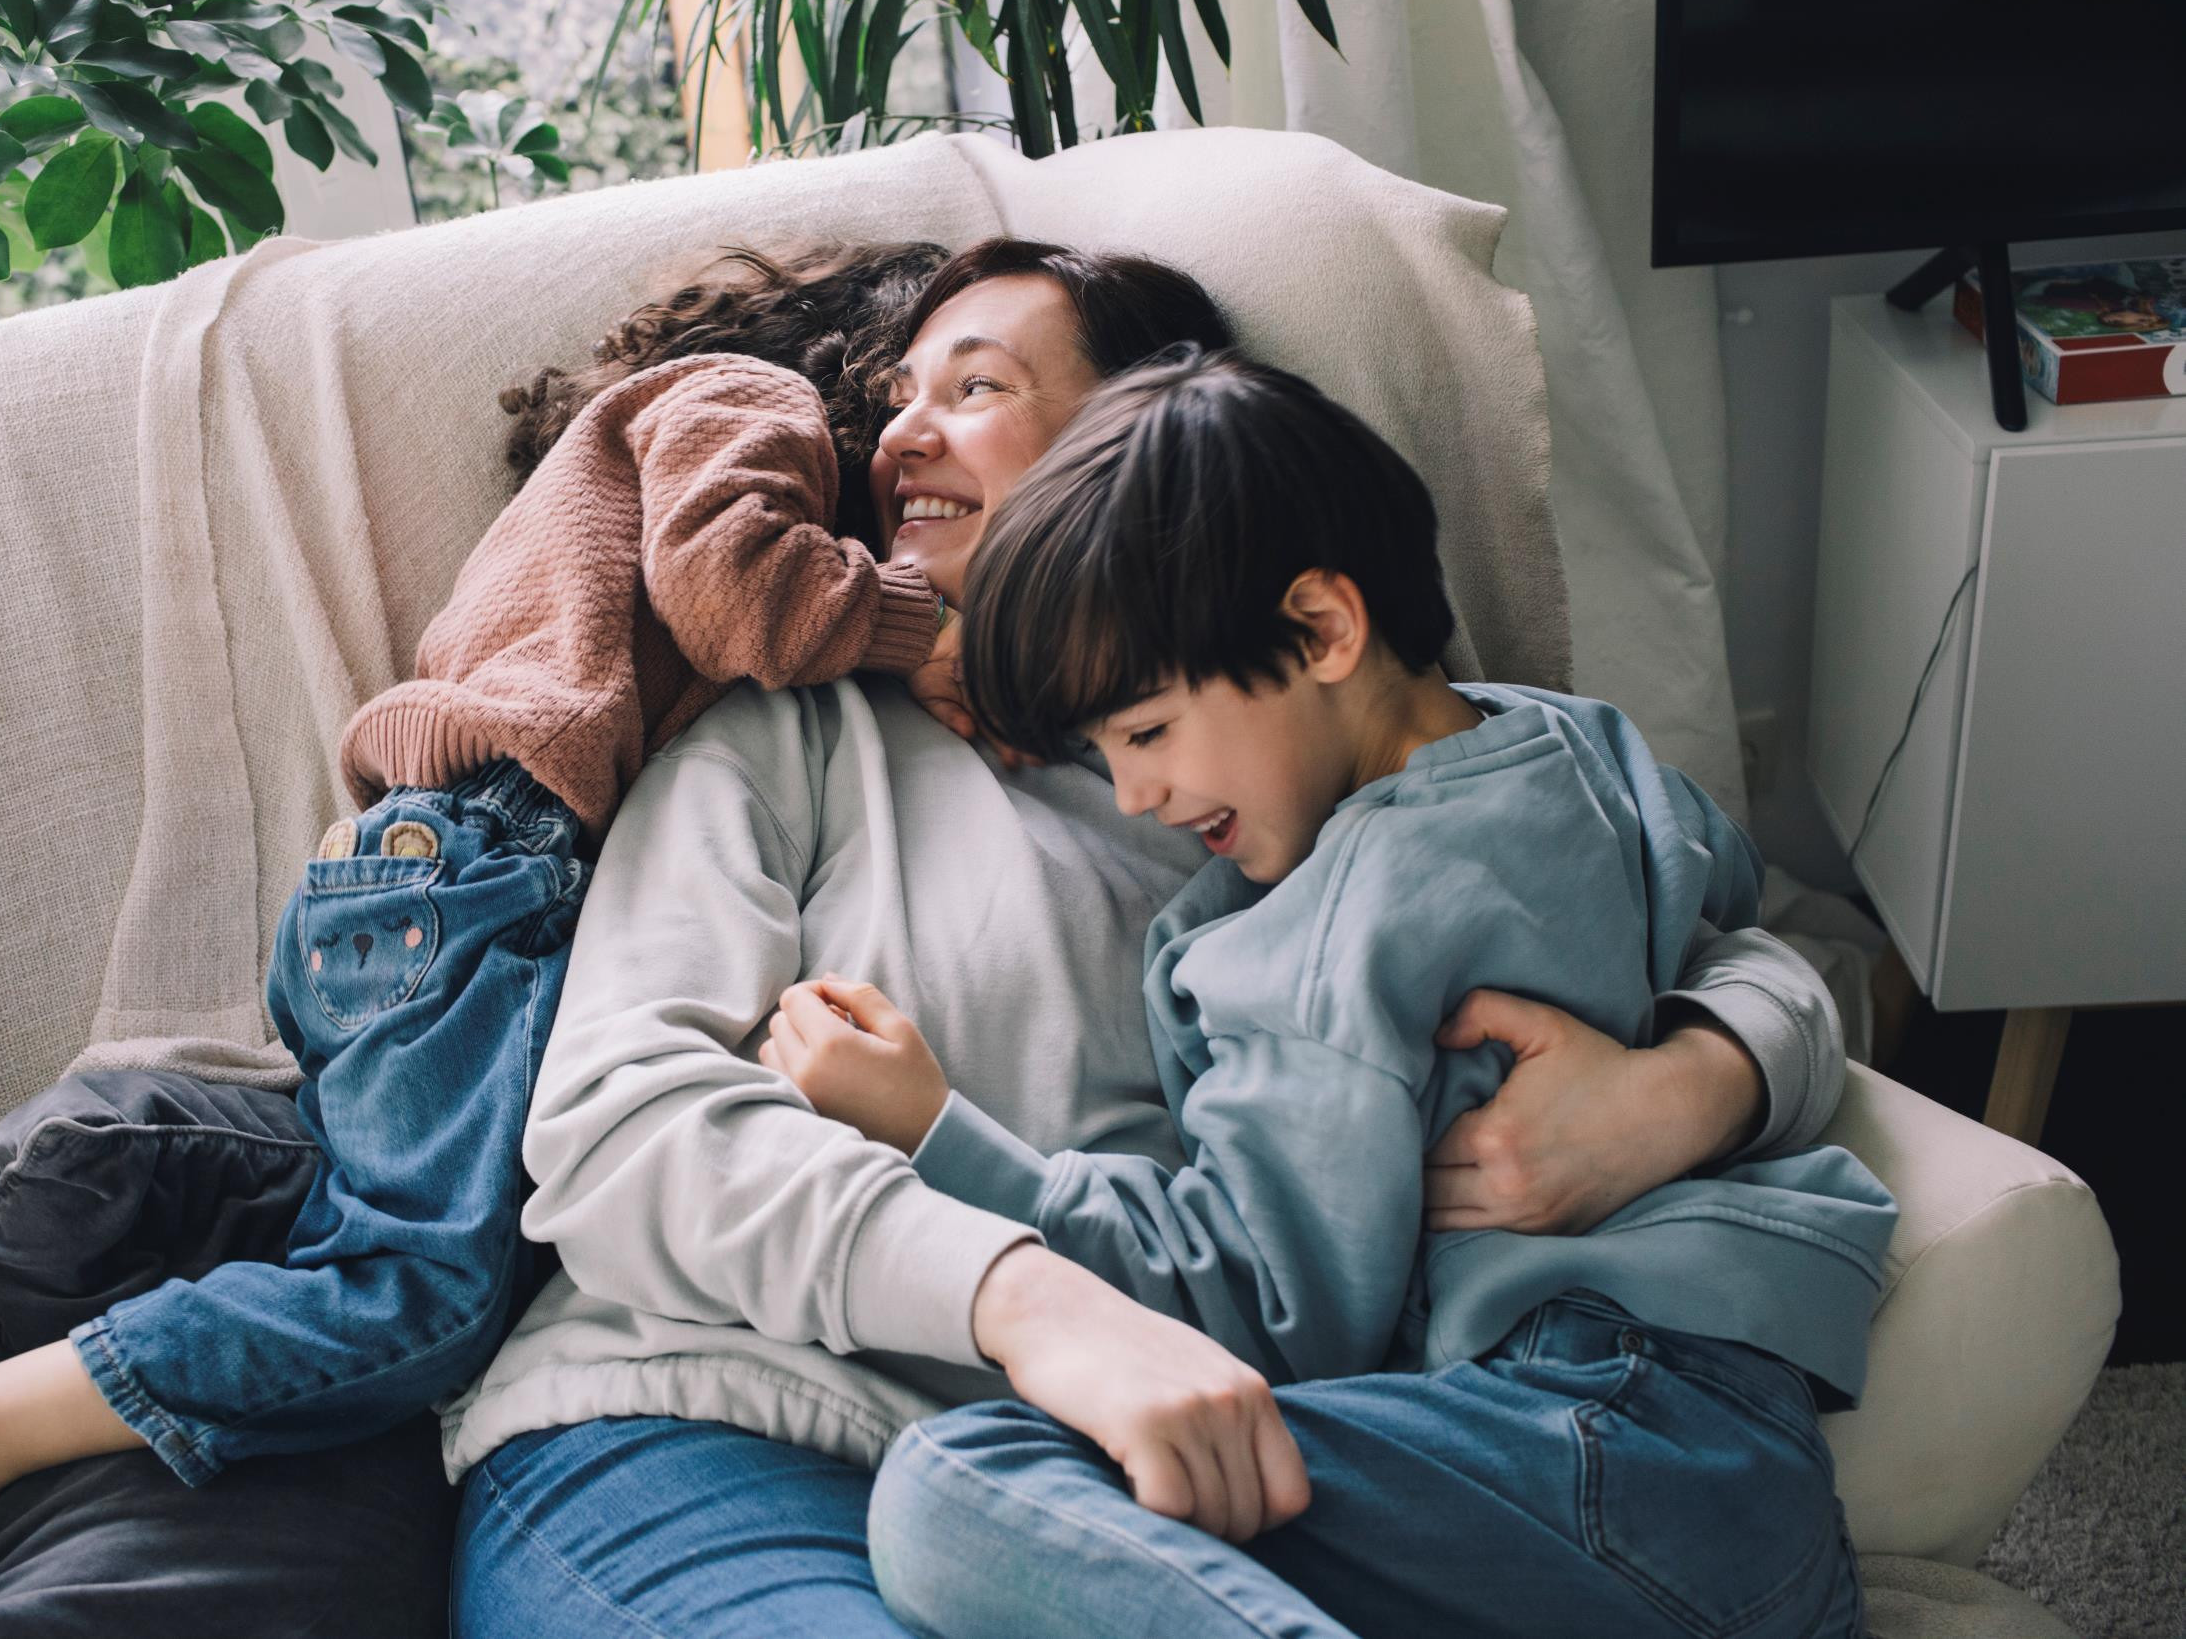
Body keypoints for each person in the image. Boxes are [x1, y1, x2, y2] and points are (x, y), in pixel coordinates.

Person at [443, 241, 1859, 1636]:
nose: (898, 439)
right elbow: (619, 1127)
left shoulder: (1328, 767)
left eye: (977, 387)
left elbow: (1725, 934)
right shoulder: (789, 740)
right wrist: (1028, 1303)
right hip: (731, 1424)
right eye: (892, 400)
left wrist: (1697, 1081)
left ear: (1133, 433)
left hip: (1156, 1471)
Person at [0, 239, 972, 1634]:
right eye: (915, 391)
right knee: (421, 1297)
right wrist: (930, 632)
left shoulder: (634, 442)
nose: (916, 445)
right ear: (859, 361)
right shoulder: (736, 400)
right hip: (486, 870)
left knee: (415, 1233)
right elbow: (735, 584)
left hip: (412, 885)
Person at [768, 349, 1899, 1639]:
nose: (1132, 796)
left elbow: (1260, 1315)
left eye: (1144, 734)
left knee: (961, 1489)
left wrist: (937, 1134)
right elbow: (1738, 914)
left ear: (1321, 631)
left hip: (1603, 1450)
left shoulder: (1324, 938)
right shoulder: (1579, 743)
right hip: (1736, 1472)